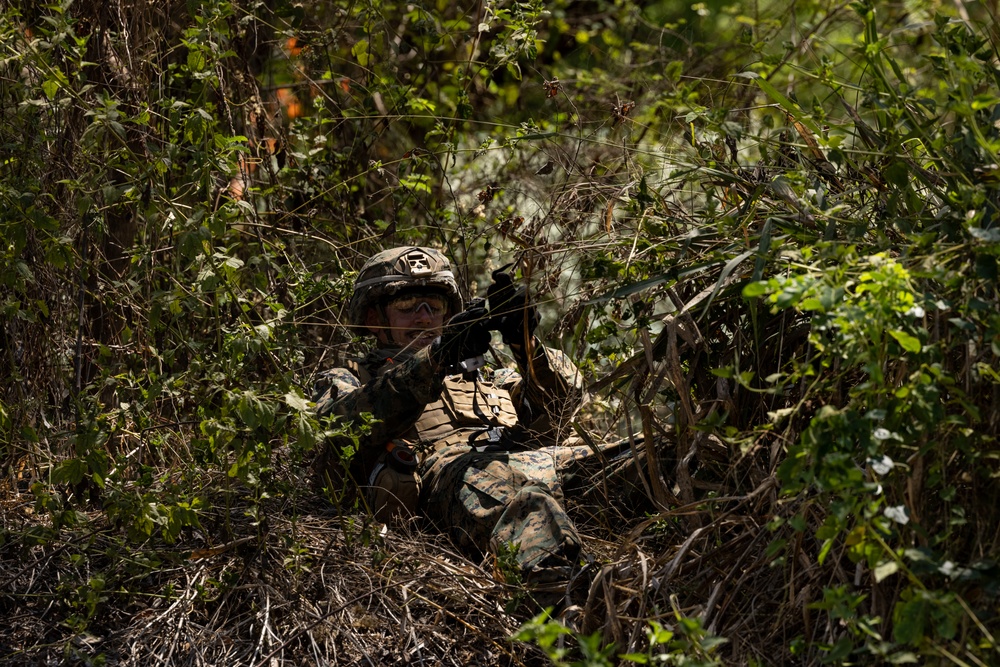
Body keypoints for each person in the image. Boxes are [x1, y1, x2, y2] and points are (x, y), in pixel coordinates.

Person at [312, 246, 601, 599]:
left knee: (642, 458)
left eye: (433, 308)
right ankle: (575, 612)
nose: (423, 318)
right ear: (374, 318)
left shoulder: (490, 377)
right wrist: (435, 359)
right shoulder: (349, 378)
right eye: (408, 308)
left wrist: (525, 345)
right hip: (455, 477)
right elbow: (341, 429)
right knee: (526, 500)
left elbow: (561, 406)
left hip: (532, 463)